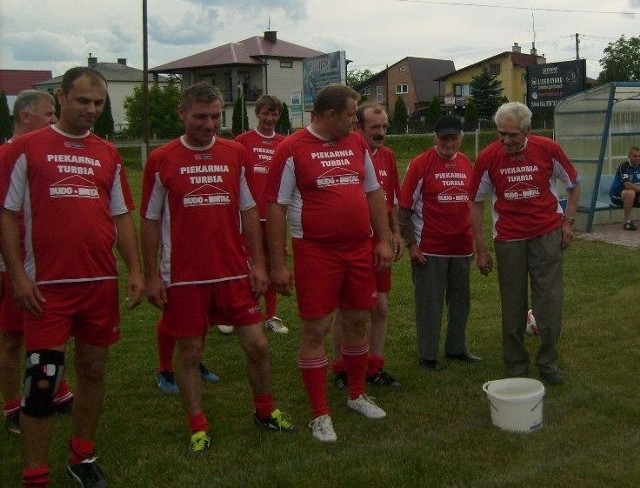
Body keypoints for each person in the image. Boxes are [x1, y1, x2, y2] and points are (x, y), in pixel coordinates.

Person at [0, 67, 145, 488]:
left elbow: (120, 216)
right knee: (43, 382)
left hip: (99, 284)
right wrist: (16, 275)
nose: (91, 110)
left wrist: (134, 269)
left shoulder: (108, 153)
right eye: (83, 101)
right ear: (61, 97)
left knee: (94, 370)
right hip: (46, 288)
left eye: (98, 103)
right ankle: (35, 474)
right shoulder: (24, 149)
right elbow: (7, 215)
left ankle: (82, 456)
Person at [141, 82, 297, 458]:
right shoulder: (162, 158)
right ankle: (198, 426)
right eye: (200, 117)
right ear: (183, 114)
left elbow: (248, 210)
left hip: (233, 271)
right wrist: (151, 275)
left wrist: (258, 264)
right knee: (191, 352)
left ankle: (265, 409)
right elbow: (148, 220)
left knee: (258, 344)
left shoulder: (234, 153)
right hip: (184, 276)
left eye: (215, 117)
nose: (209, 124)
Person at [265, 84, 393, 442]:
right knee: (317, 330)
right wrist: (278, 264)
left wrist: (382, 239)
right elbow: (275, 207)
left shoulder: (356, 144)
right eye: (352, 115)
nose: (356, 121)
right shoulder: (291, 149)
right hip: (316, 252)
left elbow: (373, 191)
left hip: (358, 249)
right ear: (331, 114)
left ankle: (355, 394)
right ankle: (320, 413)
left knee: (357, 322)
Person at [469, 101, 580, 386]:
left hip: (546, 233)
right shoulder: (488, 156)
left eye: (513, 135)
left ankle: (548, 363)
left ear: (527, 130)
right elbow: (476, 201)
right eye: (501, 133)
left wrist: (568, 221)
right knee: (512, 304)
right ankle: (516, 365)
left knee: (549, 302)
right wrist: (480, 248)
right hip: (509, 238)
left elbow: (573, 183)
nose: (506, 140)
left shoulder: (548, 149)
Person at [0, 90, 74, 437]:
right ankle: (13, 404)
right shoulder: (5, 155)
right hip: (11, 261)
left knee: (46, 327)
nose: (54, 120)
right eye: (49, 114)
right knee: (14, 335)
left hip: (44, 261)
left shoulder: (44, 153)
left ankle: (56, 389)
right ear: (26, 117)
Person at [399, 115, 481, 371]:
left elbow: (473, 204)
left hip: (461, 248)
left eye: (454, 138)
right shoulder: (421, 164)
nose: (449, 143)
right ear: (435, 137)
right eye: (444, 138)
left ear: (461, 138)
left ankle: (457, 348)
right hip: (429, 248)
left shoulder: (467, 163)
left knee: (460, 303)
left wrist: (476, 246)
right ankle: (429, 356)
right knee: (430, 305)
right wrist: (412, 244)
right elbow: (404, 210)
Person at [331, 103, 403, 389]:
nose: (381, 132)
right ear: (357, 127)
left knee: (381, 307)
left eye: (384, 127)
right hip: (352, 240)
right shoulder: (346, 153)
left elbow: (392, 200)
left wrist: (396, 232)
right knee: (348, 308)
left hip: (381, 238)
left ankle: (374, 366)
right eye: (375, 127)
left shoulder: (388, 156)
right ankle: (341, 369)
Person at [232, 94, 289, 334]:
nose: (270, 118)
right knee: (245, 263)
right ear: (257, 114)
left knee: (272, 262)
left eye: (274, 114)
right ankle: (239, 313)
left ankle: (271, 315)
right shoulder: (242, 141)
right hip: (249, 215)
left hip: (275, 215)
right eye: (265, 113)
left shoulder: (285, 143)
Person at [609, 146, 640, 230]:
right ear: (629, 156)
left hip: (635, 194)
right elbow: (627, 185)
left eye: (639, 156)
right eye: (635, 156)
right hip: (617, 195)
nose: (637, 158)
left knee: (633, 193)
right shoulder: (624, 166)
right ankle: (627, 222)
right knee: (630, 193)